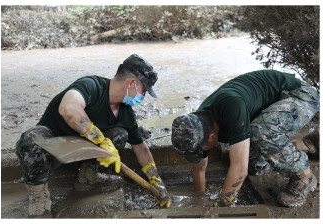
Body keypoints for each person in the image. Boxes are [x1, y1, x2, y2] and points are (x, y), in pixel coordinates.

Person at [16, 54, 171, 218]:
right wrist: (100, 140)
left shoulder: (126, 113)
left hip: (81, 157)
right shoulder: (91, 85)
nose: (143, 96)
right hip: (54, 151)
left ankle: (88, 178)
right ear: (132, 83)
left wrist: (156, 181)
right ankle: (38, 197)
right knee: (31, 139)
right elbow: (68, 108)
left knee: (119, 134)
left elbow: (141, 148)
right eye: (144, 90)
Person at [171, 70, 319, 207]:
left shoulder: (231, 107)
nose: (199, 153)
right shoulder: (199, 124)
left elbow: (240, 170)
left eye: (200, 150)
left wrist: (222, 206)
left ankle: (305, 176)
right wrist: (199, 198)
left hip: (300, 96)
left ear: (212, 136)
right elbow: (199, 169)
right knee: (254, 165)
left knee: (261, 132)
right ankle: (303, 145)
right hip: (271, 111)